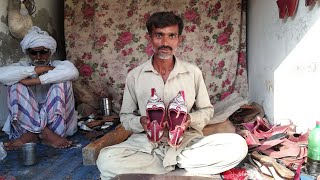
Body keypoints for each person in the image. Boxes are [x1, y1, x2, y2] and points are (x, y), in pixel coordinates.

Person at [96, 11, 248, 179]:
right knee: (105, 160)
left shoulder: (193, 73)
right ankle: (182, 171)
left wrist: (188, 119)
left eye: (171, 36)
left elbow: (207, 111)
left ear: (179, 40)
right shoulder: (135, 75)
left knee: (238, 146)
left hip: (186, 143)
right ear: (150, 38)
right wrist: (142, 122)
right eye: (159, 35)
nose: (165, 42)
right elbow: (125, 116)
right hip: (148, 144)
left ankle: (165, 168)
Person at [0, 26, 79, 150]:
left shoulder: (57, 66)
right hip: (26, 127)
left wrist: (35, 81)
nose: (38, 57)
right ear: (28, 53)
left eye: (43, 52)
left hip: (57, 126)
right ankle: (40, 133)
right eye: (33, 52)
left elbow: (72, 71)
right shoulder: (22, 67)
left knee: (62, 82)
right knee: (15, 84)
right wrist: (37, 69)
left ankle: (37, 133)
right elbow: (1, 75)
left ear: (50, 52)